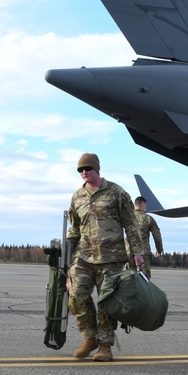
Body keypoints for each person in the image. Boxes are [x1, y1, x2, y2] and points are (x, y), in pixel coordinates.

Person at [66, 153, 143, 362]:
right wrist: (65, 252)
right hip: (83, 256)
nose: (83, 173)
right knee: (75, 295)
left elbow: (131, 224)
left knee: (106, 302)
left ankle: (105, 346)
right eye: (80, 170)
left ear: (97, 170)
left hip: (112, 257)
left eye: (87, 169)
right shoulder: (77, 197)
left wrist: (137, 251)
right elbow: (74, 228)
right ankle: (89, 337)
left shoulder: (117, 193)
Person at [133, 196, 164, 278]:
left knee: (128, 279)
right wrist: (159, 250)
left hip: (128, 253)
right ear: (143, 205)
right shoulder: (148, 219)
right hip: (143, 254)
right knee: (144, 279)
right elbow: (157, 236)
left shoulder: (127, 217)